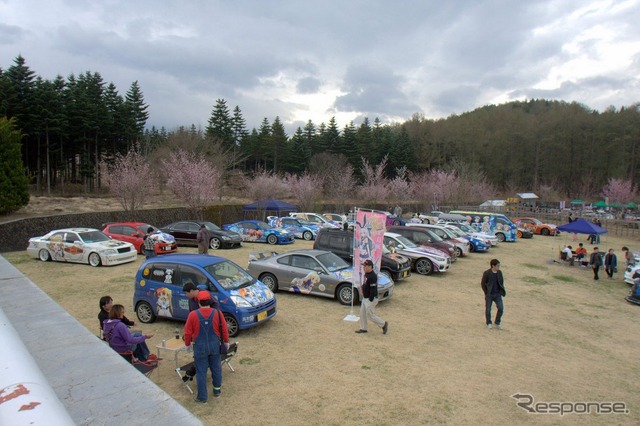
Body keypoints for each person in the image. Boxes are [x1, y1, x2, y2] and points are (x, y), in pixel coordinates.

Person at [184, 290, 230, 403]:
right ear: (210, 301)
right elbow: (224, 329)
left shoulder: (193, 315)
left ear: (199, 302)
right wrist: (226, 342)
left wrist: (187, 345)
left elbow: (187, 332)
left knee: (201, 372)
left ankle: (202, 397)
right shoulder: (218, 313)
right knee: (216, 369)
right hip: (215, 345)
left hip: (200, 347)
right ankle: (217, 391)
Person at [181, 281, 220, 382]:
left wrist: (210, 316)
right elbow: (191, 317)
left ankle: (194, 372)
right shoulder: (191, 301)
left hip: (209, 330)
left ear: (192, 291)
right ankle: (193, 371)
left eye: (186, 293)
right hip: (198, 333)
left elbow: (216, 305)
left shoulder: (205, 295)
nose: (185, 295)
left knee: (206, 360)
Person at [355, 259, 388, 335]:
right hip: (365, 298)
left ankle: (383, 324)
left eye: (365, 266)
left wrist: (370, 299)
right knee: (362, 313)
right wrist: (362, 289)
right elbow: (365, 284)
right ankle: (363, 328)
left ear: (370, 267)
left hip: (371, 298)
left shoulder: (373, 276)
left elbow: (373, 289)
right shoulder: (366, 274)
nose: (364, 267)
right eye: (364, 266)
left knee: (370, 315)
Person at [480, 259, 505, 330]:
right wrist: (486, 292)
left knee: (501, 308)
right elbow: (483, 283)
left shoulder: (499, 273)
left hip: (497, 294)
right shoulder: (487, 273)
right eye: (497, 266)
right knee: (488, 309)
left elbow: (501, 282)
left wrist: (500, 291)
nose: (498, 267)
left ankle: (497, 322)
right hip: (489, 295)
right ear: (493, 266)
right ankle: (489, 323)